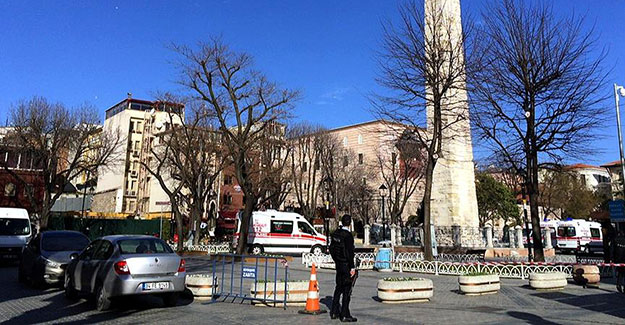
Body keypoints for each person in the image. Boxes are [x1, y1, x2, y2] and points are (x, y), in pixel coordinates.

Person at [329, 214, 357, 322]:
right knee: (347, 290)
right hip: (345, 265)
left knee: (338, 287)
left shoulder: (336, 233)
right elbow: (350, 253)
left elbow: (331, 248)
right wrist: (352, 267)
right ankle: (345, 314)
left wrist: (336, 259)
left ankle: (334, 311)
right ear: (349, 223)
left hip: (339, 264)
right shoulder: (348, 236)